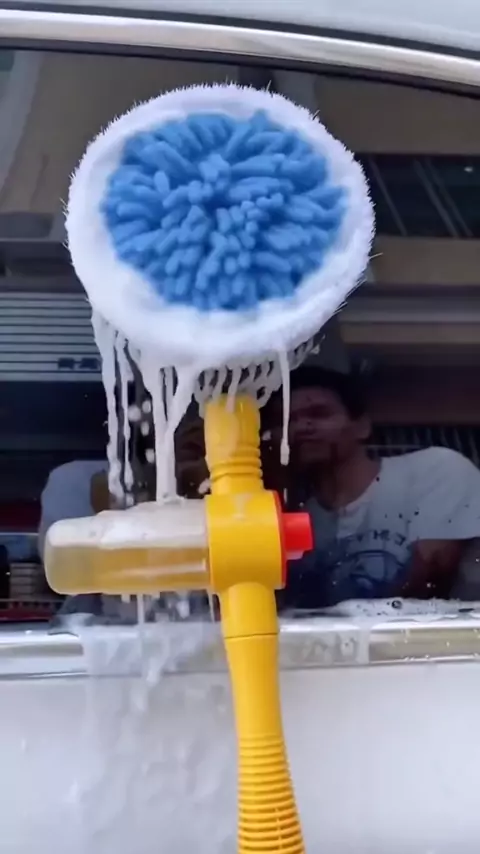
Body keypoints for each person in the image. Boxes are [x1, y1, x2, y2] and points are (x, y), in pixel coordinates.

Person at [263, 366, 480, 608]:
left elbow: (430, 579)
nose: (302, 427)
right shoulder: (295, 518)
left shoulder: (435, 469)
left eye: (319, 414)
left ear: (362, 426)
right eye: (285, 421)